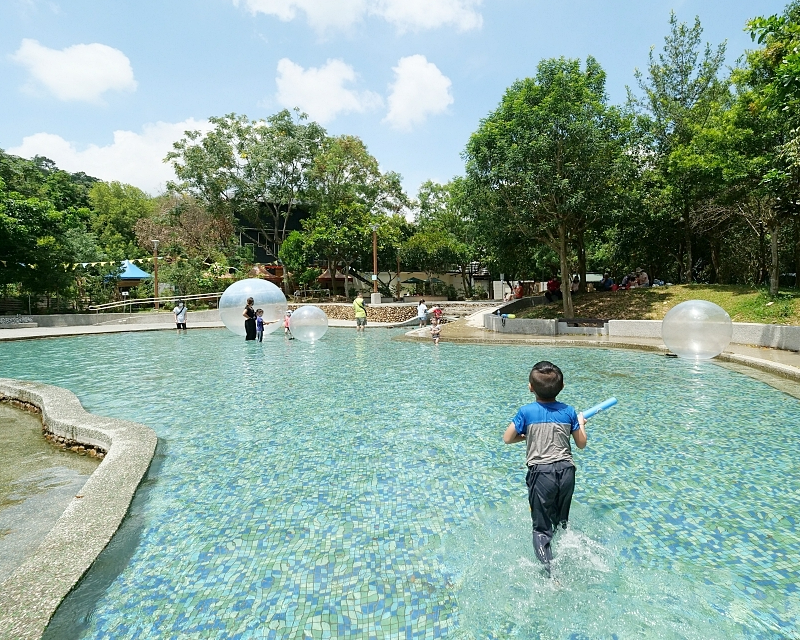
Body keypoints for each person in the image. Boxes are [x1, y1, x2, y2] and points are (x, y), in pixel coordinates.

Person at [502, 361, 587, 576]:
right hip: (567, 471)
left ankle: (551, 575)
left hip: (541, 474)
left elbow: (507, 438)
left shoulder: (526, 412)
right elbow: (581, 443)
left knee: (541, 530)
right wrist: (581, 424)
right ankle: (567, 551)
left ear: (531, 387)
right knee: (560, 520)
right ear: (562, 386)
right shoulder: (569, 412)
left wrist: (528, 435)